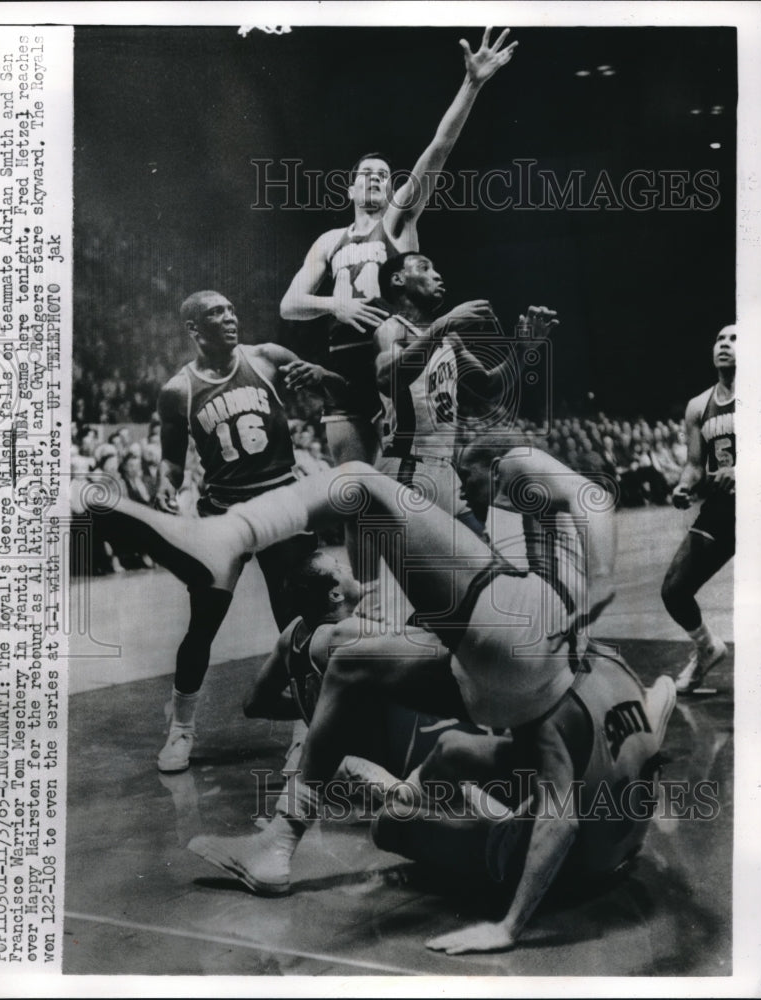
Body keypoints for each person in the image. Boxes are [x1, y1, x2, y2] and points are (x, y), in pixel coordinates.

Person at [90, 452, 673, 949]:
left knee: (363, 483)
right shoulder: (603, 707)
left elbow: (591, 495)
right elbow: (576, 788)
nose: (462, 493)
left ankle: (228, 535)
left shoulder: (516, 464)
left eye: (465, 479)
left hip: (521, 652)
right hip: (518, 694)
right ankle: (277, 844)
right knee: (355, 666)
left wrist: (508, 928)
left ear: (486, 466)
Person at [279, 28, 519, 468]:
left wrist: (472, 84)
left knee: (406, 488)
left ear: (393, 189)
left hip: (396, 360)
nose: (375, 178)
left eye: (384, 175)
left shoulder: (398, 221)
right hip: (345, 366)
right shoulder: (330, 241)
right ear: (350, 188)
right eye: (366, 173)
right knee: (354, 493)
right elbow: (290, 305)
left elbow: (439, 149)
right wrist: (337, 306)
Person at [151, 289, 349, 772]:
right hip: (224, 512)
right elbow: (172, 460)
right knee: (204, 623)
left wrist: (322, 376)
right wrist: (165, 486)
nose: (229, 318)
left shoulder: (267, 358)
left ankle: (305, 732)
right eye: (216, 313)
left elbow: (343, 393)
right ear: (195, 329)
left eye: (232, 309)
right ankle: (180, 730)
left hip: (283, 502)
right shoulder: (179, 390)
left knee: (299, 621)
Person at [374, 252, 557, 531]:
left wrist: (522, 349)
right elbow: (388, 379)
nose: (437, 274)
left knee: (483, 565)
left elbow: (489, 386)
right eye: (425, 268)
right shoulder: (391, 329)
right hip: (407, 465)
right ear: (398, 280)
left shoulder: (450, 339)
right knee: (467, 568)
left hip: (443, 468)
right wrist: (441, 325)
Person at [661, 325, 736, 693]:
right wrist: (684, 485)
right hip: (725, 508)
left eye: (736, 339)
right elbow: (694, 462)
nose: (725, 344)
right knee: (674, 589)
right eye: (720, 339)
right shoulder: (698, 406)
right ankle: (706, 647)